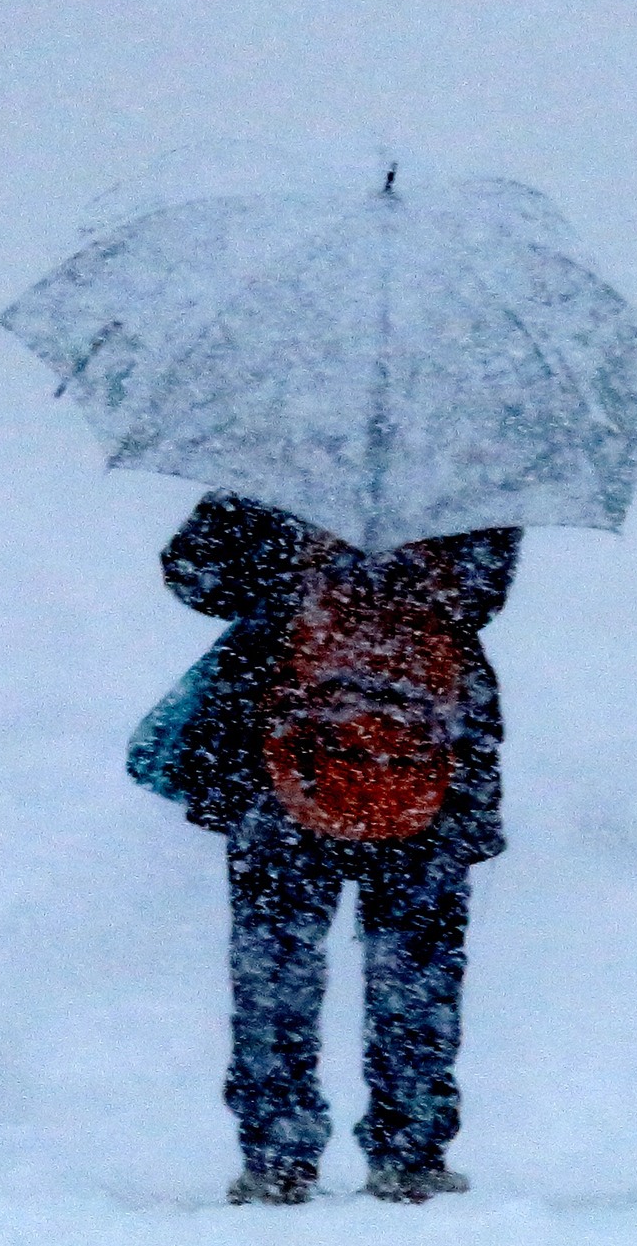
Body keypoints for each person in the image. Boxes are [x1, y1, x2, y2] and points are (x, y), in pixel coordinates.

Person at [153, 491, 517, 1206]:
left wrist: (287, 559)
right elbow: (477, 599)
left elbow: (195, 578)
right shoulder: (469, 479)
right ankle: (409, 1151)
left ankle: (277, 1155)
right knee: (417, 965)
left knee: (275, 962)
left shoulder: (273, 465)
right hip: (427, 758)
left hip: (283, 754)